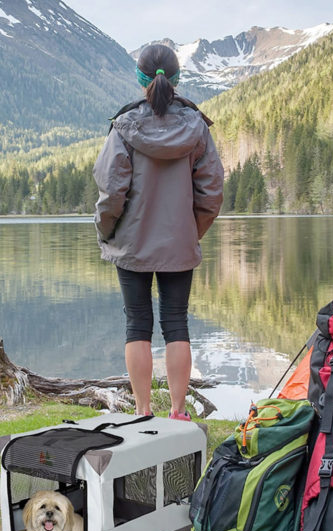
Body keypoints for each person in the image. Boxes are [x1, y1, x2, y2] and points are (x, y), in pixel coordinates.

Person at [93, 44, 224, 420]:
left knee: (137, 323)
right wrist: (189, 231)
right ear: (176, 78)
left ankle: (143, 410)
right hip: (179, 243)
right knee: (176, 322)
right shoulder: (196, 126)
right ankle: (179, 411)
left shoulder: (125, 126)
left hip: (131, 244)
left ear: (141, 78)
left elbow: (110, 189)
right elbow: (211, 191)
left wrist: (107, 231)